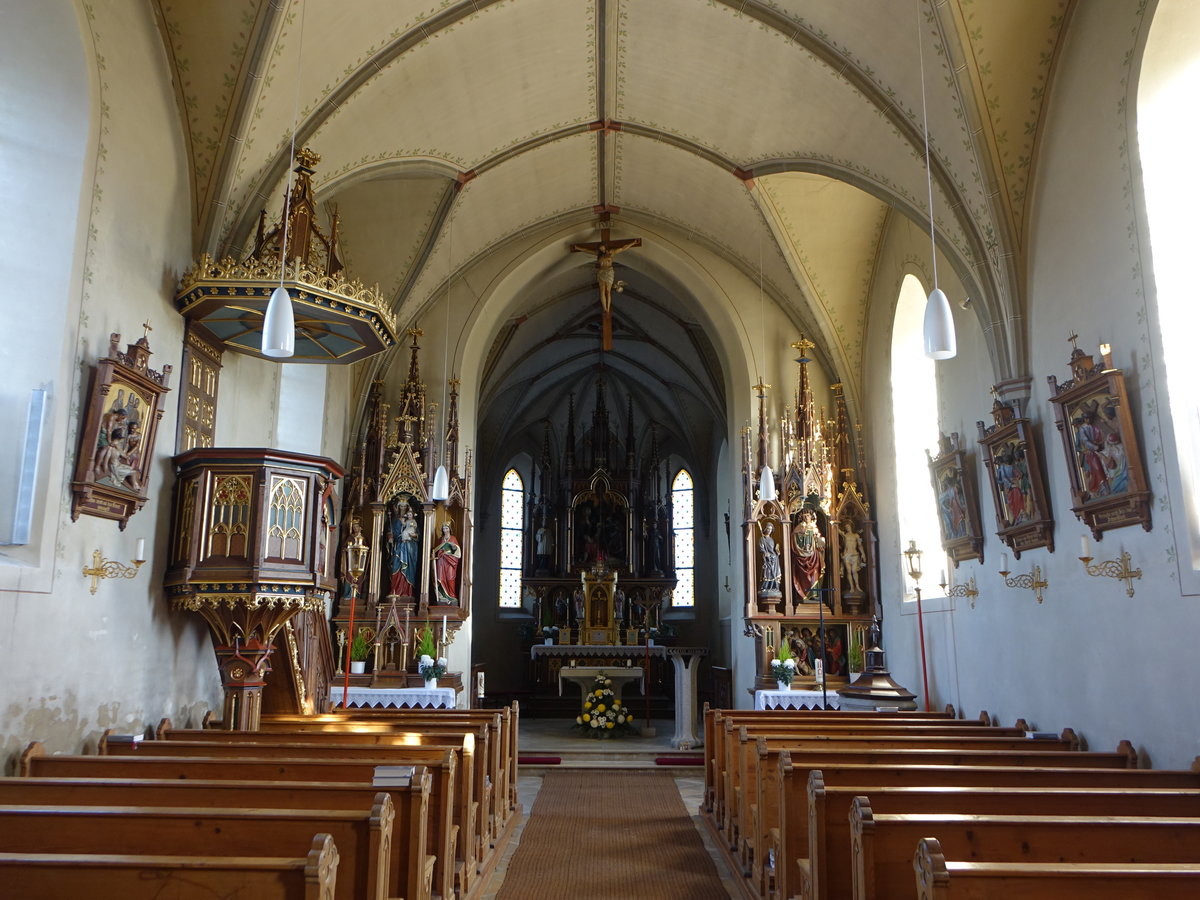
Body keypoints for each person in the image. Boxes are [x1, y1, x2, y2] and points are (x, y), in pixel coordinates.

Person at [387, 504, 419, 597]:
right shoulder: (395, 520)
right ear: (397, 508)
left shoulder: (413, 521)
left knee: (407, 567)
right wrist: (390, 537)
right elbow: (390, 531)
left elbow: (417, 533)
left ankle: (406, 592)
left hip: (409, 547)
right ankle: (394, 591)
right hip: (398, 546)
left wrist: (414, 536)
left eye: (405, 506)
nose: (403, 508)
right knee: (396, 567)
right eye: (401, 506)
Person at [431, 521, 461, 604]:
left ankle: (452, 596)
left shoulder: (453, 538)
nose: (445, 530)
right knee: (441, 578)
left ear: (449, 529)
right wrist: (440, 552)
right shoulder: (440, 539)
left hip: (450, 562)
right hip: (441, 561)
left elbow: (457, 551)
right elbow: (435, 550)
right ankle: (442, 596)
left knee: (450, 578)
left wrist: (453, 547)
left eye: (446, 528)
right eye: (444, 528)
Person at [758, 520, 781, 597]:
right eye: (768, 529)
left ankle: (774, 587)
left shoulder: (772, 539)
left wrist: (777, 552)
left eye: (771, 529)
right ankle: (765, 587)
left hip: (774, 559)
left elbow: (774, 549)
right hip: (767, 559)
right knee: (767, 572)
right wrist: (765, 553)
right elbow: (761, 548)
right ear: (765, 529)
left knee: (774, 573)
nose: (769, 530)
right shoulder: (762, 539)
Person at [839, 521, 864, 594]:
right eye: (846, 527)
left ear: (851, 527)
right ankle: (852, 587)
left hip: (854, 554)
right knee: (849, 571)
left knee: (854, 571)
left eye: (848, 526)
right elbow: (838, 530)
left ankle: (857, 586)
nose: (847, 528)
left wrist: (863, 554)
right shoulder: (845, 535)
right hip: (847, 555)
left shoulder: (856, 535)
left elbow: (860, 545)